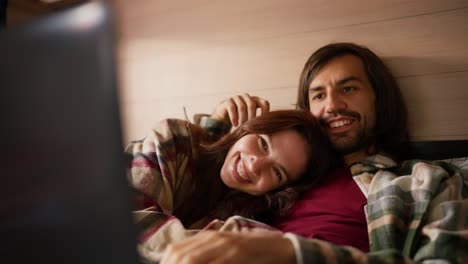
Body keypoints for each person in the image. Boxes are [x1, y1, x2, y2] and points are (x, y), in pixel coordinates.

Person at [159, 42, 468, 263]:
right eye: (318, 94)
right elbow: (193, 181)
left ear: (380, 99)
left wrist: (291, 254)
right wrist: (217, 124)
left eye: (348, 88)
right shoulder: (276, 177)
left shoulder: (426, 182)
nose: (331, 105)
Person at [126, 109, 337, 229]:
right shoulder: (176, 138)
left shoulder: (246, 225)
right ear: (248, 128)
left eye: (276, 172)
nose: (255, 165)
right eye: (263, 143)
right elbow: (128, 220)